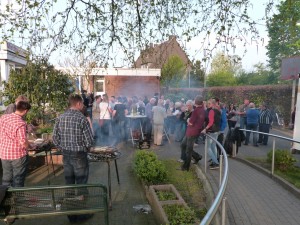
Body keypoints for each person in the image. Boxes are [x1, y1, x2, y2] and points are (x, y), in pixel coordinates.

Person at [52, 94, 94, 223]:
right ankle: (80, 215)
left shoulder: (60, 118)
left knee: (69, 185)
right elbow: (89, 141)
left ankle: (71, 215)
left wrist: (62, 147)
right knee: (81, 185)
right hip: (79, 156)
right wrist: (86, 148)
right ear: (78, 104)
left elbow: (55, 139)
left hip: (66, 155)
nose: (83, 106)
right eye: (82, 104)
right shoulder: (82, 119)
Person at [0, 101, 32, 187]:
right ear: (25, 111)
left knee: (6, 178)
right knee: (18, 180)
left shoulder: (3, 117)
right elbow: (23, 142)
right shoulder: (20, 123)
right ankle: (18, 199)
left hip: (4, 153)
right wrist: (30, 146)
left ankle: (5, 198)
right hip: (17, 155)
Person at [180, 95, 205, 171]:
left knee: (188, 150)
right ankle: (197, 156)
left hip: (192, 132)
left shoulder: (196, 110)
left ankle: (186, 167)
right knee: (183, 145)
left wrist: (188, 120)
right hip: (191, 131)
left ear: (195, 101)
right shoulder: (202, 109)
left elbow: (190, 122)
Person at [201, 98, 221, 170]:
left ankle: (216, 163)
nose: (207, 105)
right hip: (216, 131)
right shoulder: (218, 110)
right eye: (207, 103)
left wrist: (205, 129)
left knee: (207, 148)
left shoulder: (212, 111)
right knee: (213, 146)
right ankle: (215, 160)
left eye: (209, 103)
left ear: (213, 104)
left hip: (211, 131)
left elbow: (211, 122)